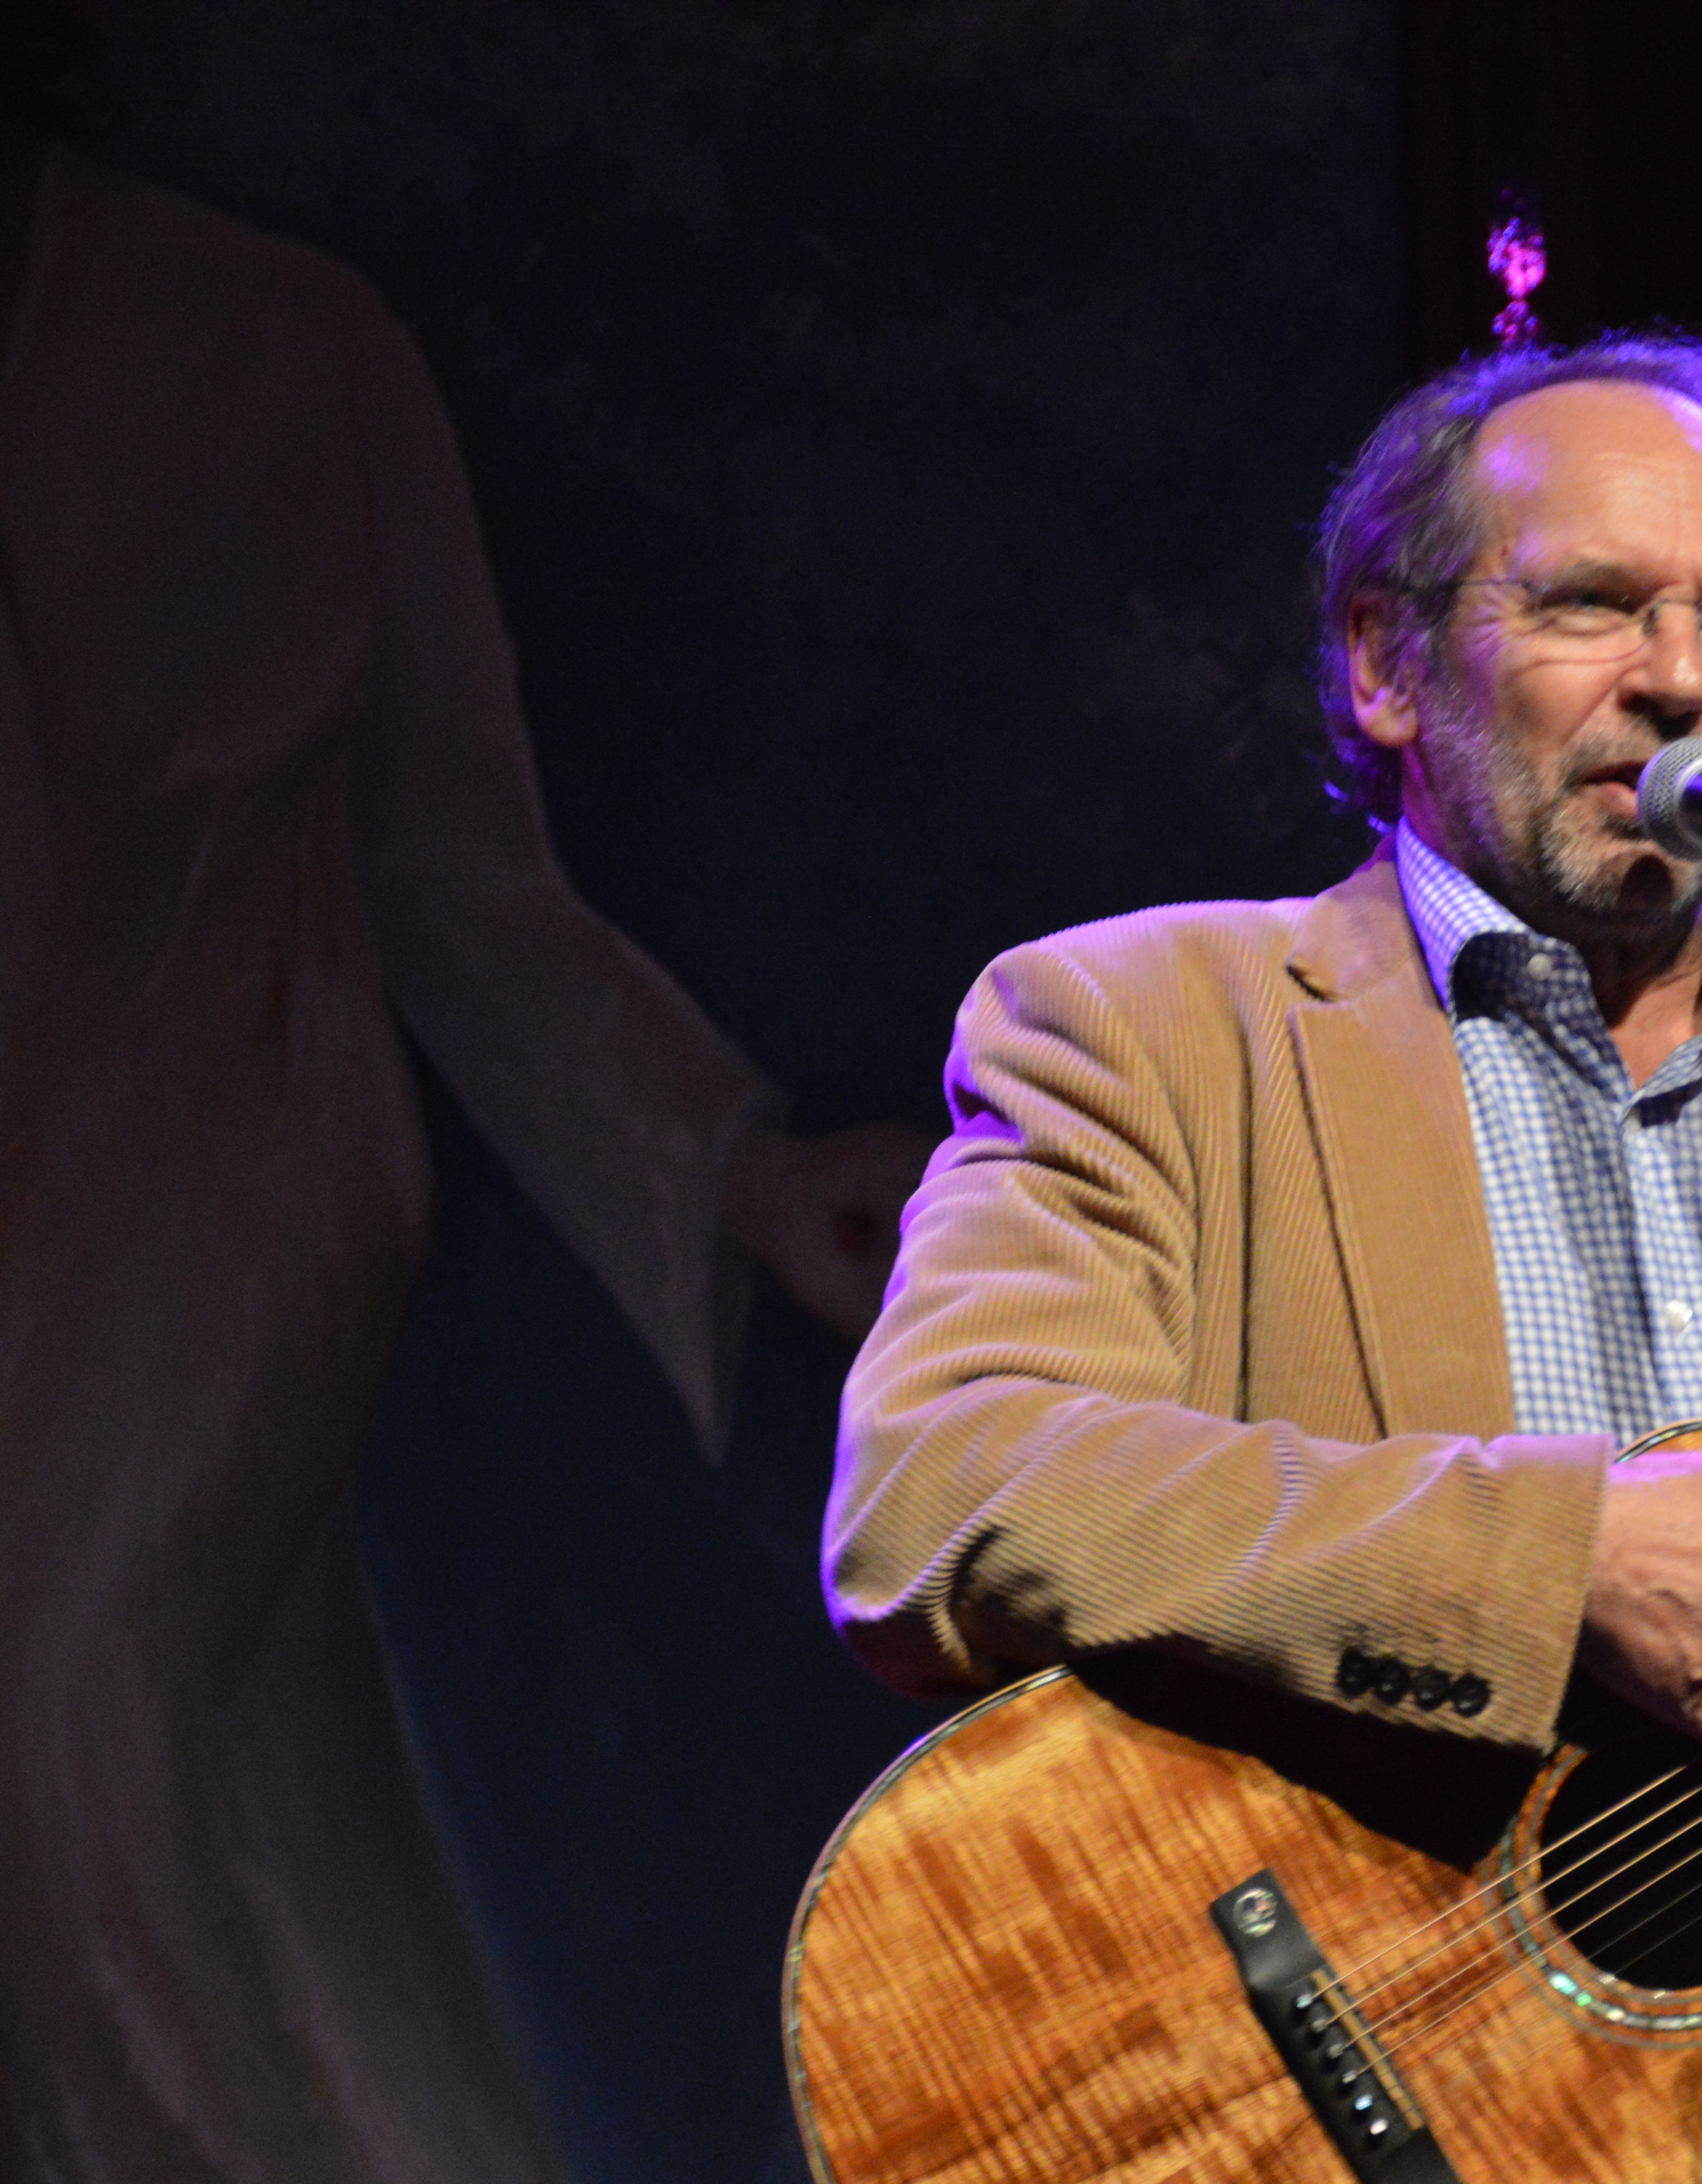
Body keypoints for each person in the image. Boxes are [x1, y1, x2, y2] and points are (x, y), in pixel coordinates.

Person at [829, 333, 1702, 2183]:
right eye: (1594, 602)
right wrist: (1562, 1566)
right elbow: (937, 1492)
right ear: (1385, 662)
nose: (1677, 678)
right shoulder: (1148, 1028)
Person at [0, 16, 927, 2181]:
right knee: (246, 1821)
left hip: (224, 1175)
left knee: (62, 1705)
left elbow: (459, 865)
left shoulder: (281, 348)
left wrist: (732, 1164)